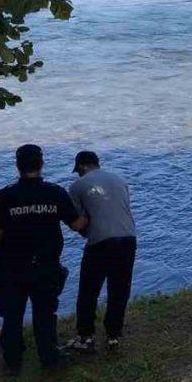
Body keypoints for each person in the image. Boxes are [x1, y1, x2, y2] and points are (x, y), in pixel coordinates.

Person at [0, 144, 88, 374]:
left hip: (12, 267)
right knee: (45, 315)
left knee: (11, 316)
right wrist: (94, 210)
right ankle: (49, 360)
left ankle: (13, 363)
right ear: (41, 164)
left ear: (18, 167)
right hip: (46, 265)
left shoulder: (6, 195)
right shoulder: (55, 192)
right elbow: (77, 224)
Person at [64, 151, 137, 353]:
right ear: (97, 163)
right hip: (129, 238)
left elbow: (81, 223)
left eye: (78, 170)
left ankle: (86, 337)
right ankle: (114, 336)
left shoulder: (77, 187)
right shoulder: (120, 180)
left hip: (101, 242)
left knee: (88, 290)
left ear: (81, 166)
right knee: (119, 289)